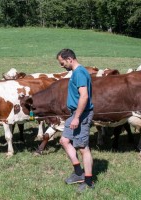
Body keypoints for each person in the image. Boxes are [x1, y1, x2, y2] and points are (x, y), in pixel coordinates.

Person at [56, 49, 95, 192]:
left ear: (70, 59)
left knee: (83, 148)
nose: (62, 66)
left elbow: (84, 96)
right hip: (75, 113)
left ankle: (89, 181)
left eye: (62, 63)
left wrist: (77, 118)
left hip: (82, 114)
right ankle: (79, 173)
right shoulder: (77, 72)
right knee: (64, 141)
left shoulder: (79, 73)